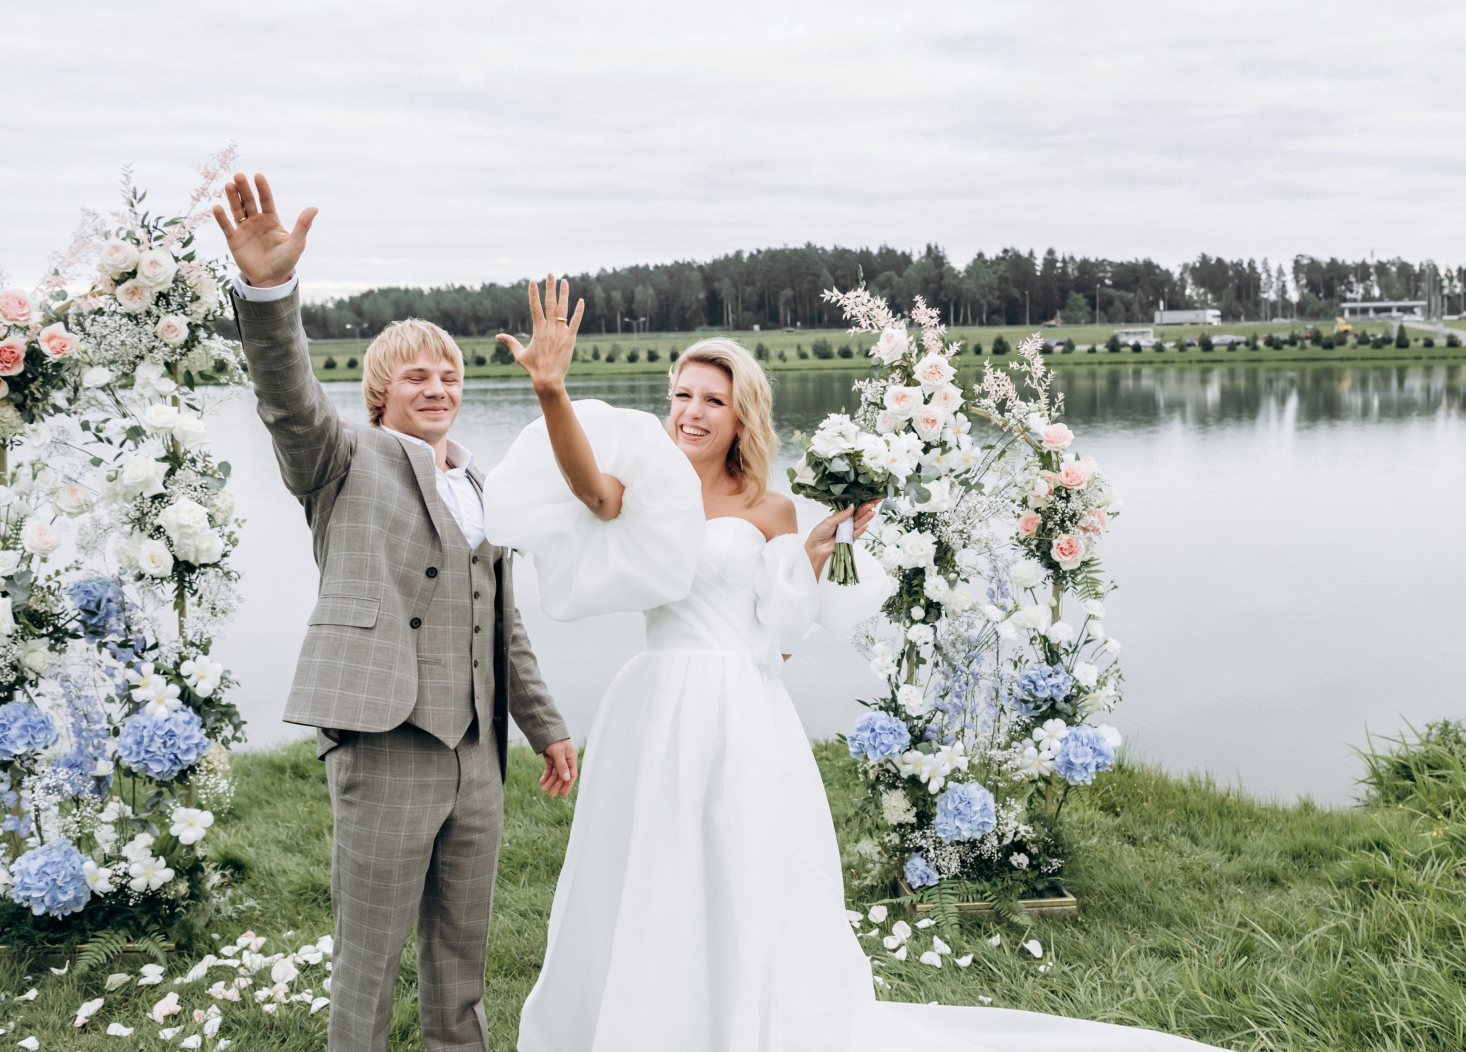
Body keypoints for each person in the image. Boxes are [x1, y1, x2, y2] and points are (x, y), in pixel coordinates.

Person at [485, 279, 1230, 1051]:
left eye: (712, 398)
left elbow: (773, 640)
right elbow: (588, 490)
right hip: (656, 703)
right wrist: (551, 391)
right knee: (651, 872)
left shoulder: (772, 509)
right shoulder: (643, 491)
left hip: (742, 705)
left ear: (741, 413)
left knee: (742, 867)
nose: (691, 412)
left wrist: (812, 558)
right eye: (682, 395)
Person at [212, 174, 578, 1052]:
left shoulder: (486, 487)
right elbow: (288, 395)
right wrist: (269, 293)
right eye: (416, 375)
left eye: (449, 373)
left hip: (476, 759)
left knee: (462, 964)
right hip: (386, 743)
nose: (439, 385)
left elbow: (505, 620)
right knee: (366, 965)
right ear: (380, 392)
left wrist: (546, 724)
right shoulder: (343, 460)